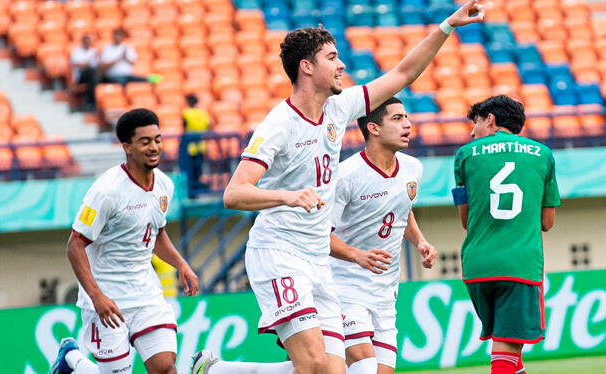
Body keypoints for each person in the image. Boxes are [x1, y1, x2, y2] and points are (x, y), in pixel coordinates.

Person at [191, 2, 484, 374]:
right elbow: (234, 193)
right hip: (279, 252)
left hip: (317, 261)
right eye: (332, 57)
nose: (341, 64)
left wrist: (447, 25)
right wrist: (287, 196)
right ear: (307, 67)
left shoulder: (338, 108)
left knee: (331, 371)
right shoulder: (278, 125)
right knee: (313, 364)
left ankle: (218, 370)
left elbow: (404, 73)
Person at [50, 108, 199, 374]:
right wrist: (96, 296)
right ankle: (72, 358)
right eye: (145, 142)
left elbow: (156, 234)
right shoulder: (106, 191)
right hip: (107, 299)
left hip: (146, 294)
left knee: (165, 367)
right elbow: (75, 245)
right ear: (127, 147)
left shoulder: (164, 185)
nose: (154, 147)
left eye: (157, 139)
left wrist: (182, 265)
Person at [452, 96, 561, 374]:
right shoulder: (543, 154)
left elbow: (466, 220)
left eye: (474, 122)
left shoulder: (465, 155)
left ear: (490, 119)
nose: (472, 131)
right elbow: (547, 223)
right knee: (507, 346)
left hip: (476, 266)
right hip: (519, 264)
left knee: (511, 351)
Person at [329, 97, 438, 374]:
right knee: (364, 365)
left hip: (386, 290)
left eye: (407, 118)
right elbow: (318, 236)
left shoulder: (413, 168)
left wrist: (420, 241)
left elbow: (402, 209)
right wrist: (356, 255)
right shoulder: (346, 175)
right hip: (344, 286)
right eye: (398, 118)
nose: (408, 124)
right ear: (374, 128)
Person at [181, 94, 211, 197]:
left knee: (190, 170)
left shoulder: (186, 113)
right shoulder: (203, 113)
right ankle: (198, 189)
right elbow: (208, 127)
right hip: (201, 145)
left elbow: (184, 128)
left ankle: (192, 192)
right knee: (199, 169)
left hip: (190, 146)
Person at [69, 34, 99, 111]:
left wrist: (86, 64)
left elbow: (97, 65)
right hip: (80, 76)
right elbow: (79, 65)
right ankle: (92, 103)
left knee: (93, 79)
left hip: (92, 76)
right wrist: (88, 63)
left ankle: (92, 104)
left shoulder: (93, 51)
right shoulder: (77, 52)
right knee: (91, 74)